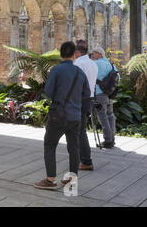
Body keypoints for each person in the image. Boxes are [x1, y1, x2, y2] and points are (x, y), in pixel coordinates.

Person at [34, 41, 90, 190]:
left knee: (50, 145)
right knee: (74, 148)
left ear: (61, 54)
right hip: (76, 116)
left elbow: (48, 92)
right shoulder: (80, 72)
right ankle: (72, 178)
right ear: (74, 54)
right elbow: (87, 94)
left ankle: (50, 179)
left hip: (58, 116)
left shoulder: (56, 70)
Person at [74, 40, 98, 171]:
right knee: (79, 129)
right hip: (89, 98)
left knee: (79, 131)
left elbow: (75, 84)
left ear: (77, 52)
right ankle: (81, 159)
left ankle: (86, 161)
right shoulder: (92, 64)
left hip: (79, 99)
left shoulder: (78, 64)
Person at [91, 46, 117, 149]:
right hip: (110, 94)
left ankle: (108, 140)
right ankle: (112, 138)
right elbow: (118, 77)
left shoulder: (95, 64)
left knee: (102, 116)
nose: (92, 55)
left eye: (93, 53)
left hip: (100, 93)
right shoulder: (111, 64)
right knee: (110, 115)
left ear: (100, 54)